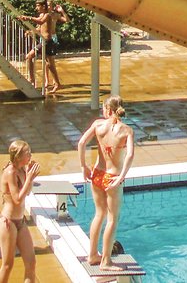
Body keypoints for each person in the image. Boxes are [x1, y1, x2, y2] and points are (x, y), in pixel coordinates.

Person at [78, 96, 136, 270]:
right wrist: (121, 177)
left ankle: (92, 255)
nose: (102, 112)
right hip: (112, 177)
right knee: (112, 219)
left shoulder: (97, 125)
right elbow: (130, 155)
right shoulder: (126, 131)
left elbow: (81, 143)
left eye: (103, 109)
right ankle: (106, 261)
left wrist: (83, 166)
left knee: (99, 214)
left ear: (108, 110)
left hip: (97, 174)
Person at [0, 140, 40, 283]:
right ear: (19, 156)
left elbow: (27, 193)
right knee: (8, 265)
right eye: (27, 152)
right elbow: (17, 199)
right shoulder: (10, 172)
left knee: (31, 263)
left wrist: (30, 177)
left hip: (20, 222)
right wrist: (29, 179)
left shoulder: (22, 170)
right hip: (8, 223)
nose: (30, 154)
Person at [19, 0, 68, 93]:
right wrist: (30, 31)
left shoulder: (48, 15)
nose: (36, 8)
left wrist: (29, 18)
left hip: (47, 42)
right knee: (49, 64)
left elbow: (41, 22)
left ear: (43, 7)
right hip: (45, 41)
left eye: (38, 6)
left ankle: (32, 79)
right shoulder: (42, 15)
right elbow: (39, 27)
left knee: (29, 57)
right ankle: (57, 84)